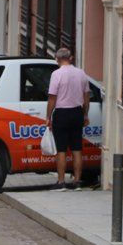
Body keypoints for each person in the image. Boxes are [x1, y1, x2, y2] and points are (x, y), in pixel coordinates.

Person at [45, 48, 90, 189]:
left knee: (61, 150)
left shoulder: (56, 74)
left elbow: (52, 97)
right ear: (70, 58)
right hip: (77, 113)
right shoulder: (81, 73)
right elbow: (86, 97)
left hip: (62, 114)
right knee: (77, 149)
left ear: (57, 59)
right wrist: (85, 114)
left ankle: (61, 182)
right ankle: (77, 181)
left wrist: (48, 116)